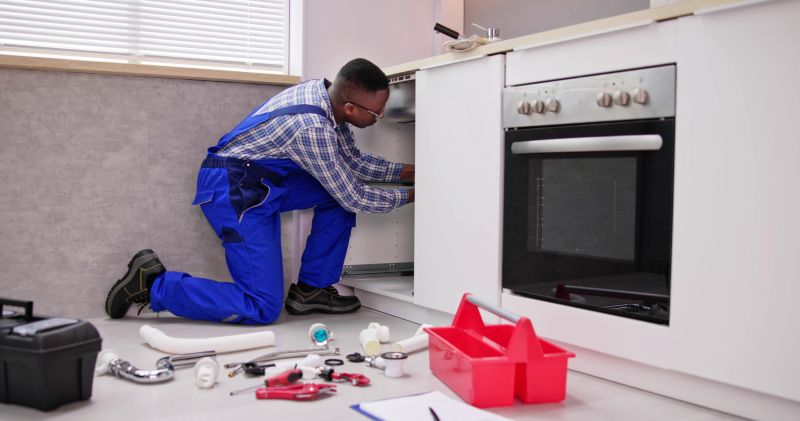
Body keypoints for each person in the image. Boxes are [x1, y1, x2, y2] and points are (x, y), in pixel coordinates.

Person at [104, 58, 414, 325]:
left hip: (261, 181)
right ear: (351, 107)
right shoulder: (312, 128)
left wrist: (414, 172)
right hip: (232, 189)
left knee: (335, 195)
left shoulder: (324, 96)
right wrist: (416, 195)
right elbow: (354, 196)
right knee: (262, 307)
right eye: (377, 114)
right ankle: (154, 285)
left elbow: (353, 164)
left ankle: (311, 290)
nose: (379, 118)